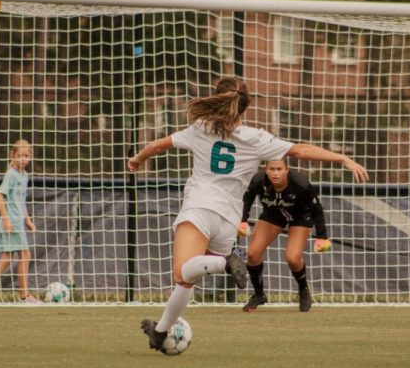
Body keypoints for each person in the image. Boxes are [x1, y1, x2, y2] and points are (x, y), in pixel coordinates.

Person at [127, 77, 368, 351]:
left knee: (182, 273)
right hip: (229, 221)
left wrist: (137, 159)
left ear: (216, 100)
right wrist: (342, 158)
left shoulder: (200, 128)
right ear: (244, 108)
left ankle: (225, 262)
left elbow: (159, 145)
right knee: (187, 280)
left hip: (201, 208)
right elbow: (300, 150)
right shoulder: (257, 138)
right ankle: (159, 333)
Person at [238, 159, 331, 313]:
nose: (275, 173)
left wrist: (322, 237)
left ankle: (303, 290)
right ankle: (259, 295)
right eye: (272, 169)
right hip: (273, 214)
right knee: (253, 254)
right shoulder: (258, 180)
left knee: (292, 257)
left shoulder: (300, 184)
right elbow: (246, 200)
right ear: (266, 170)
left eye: (279, 169)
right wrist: (243, 221)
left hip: (300, 216)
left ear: (287, 170)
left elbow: (317, 209)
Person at [0, 139, 40, 304]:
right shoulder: (11, 174)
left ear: (30, 157)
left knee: (7, 258)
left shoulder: (25, 176)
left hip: (18, 222)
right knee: (25, 255)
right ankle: (24, 296)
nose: (23, 159)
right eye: (19, 155)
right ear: (13, 155)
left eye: (26, 155)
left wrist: (28, 220)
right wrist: (6, 219)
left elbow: (21, 201)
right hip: (11, 223)